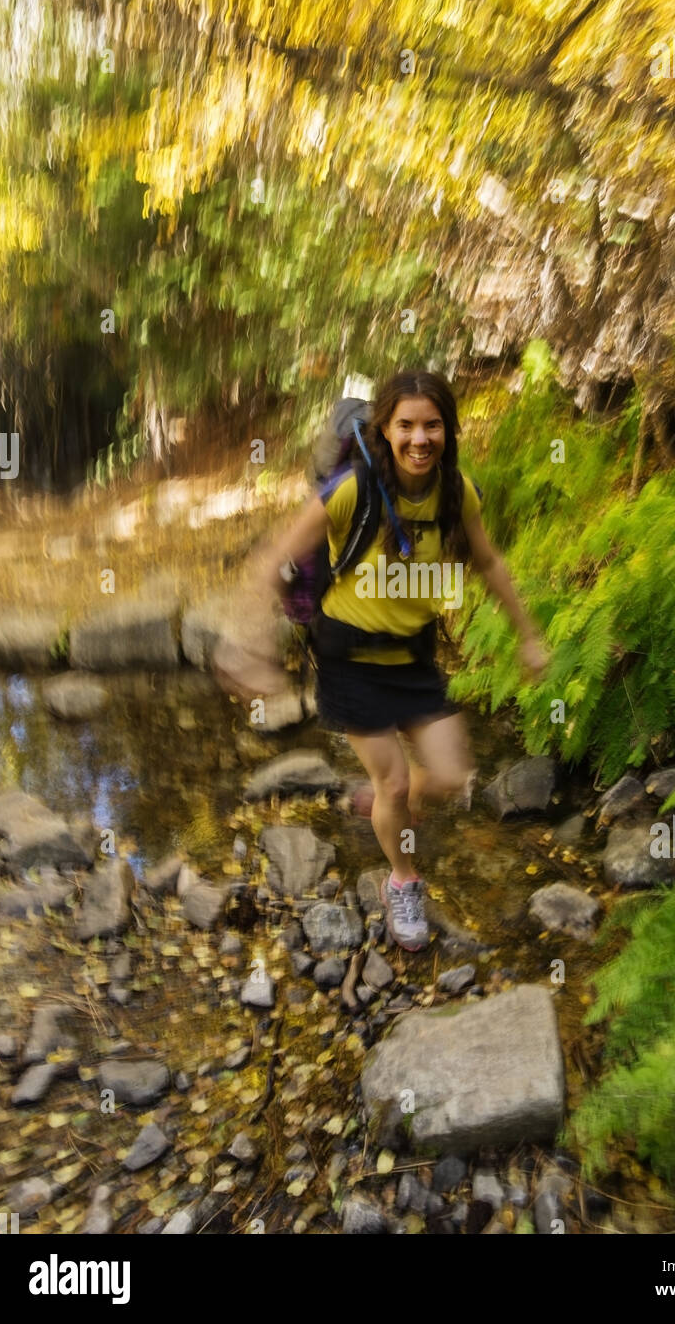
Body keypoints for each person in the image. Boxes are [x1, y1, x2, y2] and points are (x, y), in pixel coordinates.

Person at [216, 370, 549, 951]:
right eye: (406, 425)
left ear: (448, 430)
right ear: (385, 430)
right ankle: (404, 880)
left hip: (414, 655)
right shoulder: (350, 492)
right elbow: (271, 560)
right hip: (350, 658)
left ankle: (387, 799)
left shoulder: (455, 492)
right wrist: (251, 648)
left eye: (432, 425)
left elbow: (489, 562)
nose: (420, 439)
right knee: (394, 783)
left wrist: (527, 634)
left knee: (447, 777)